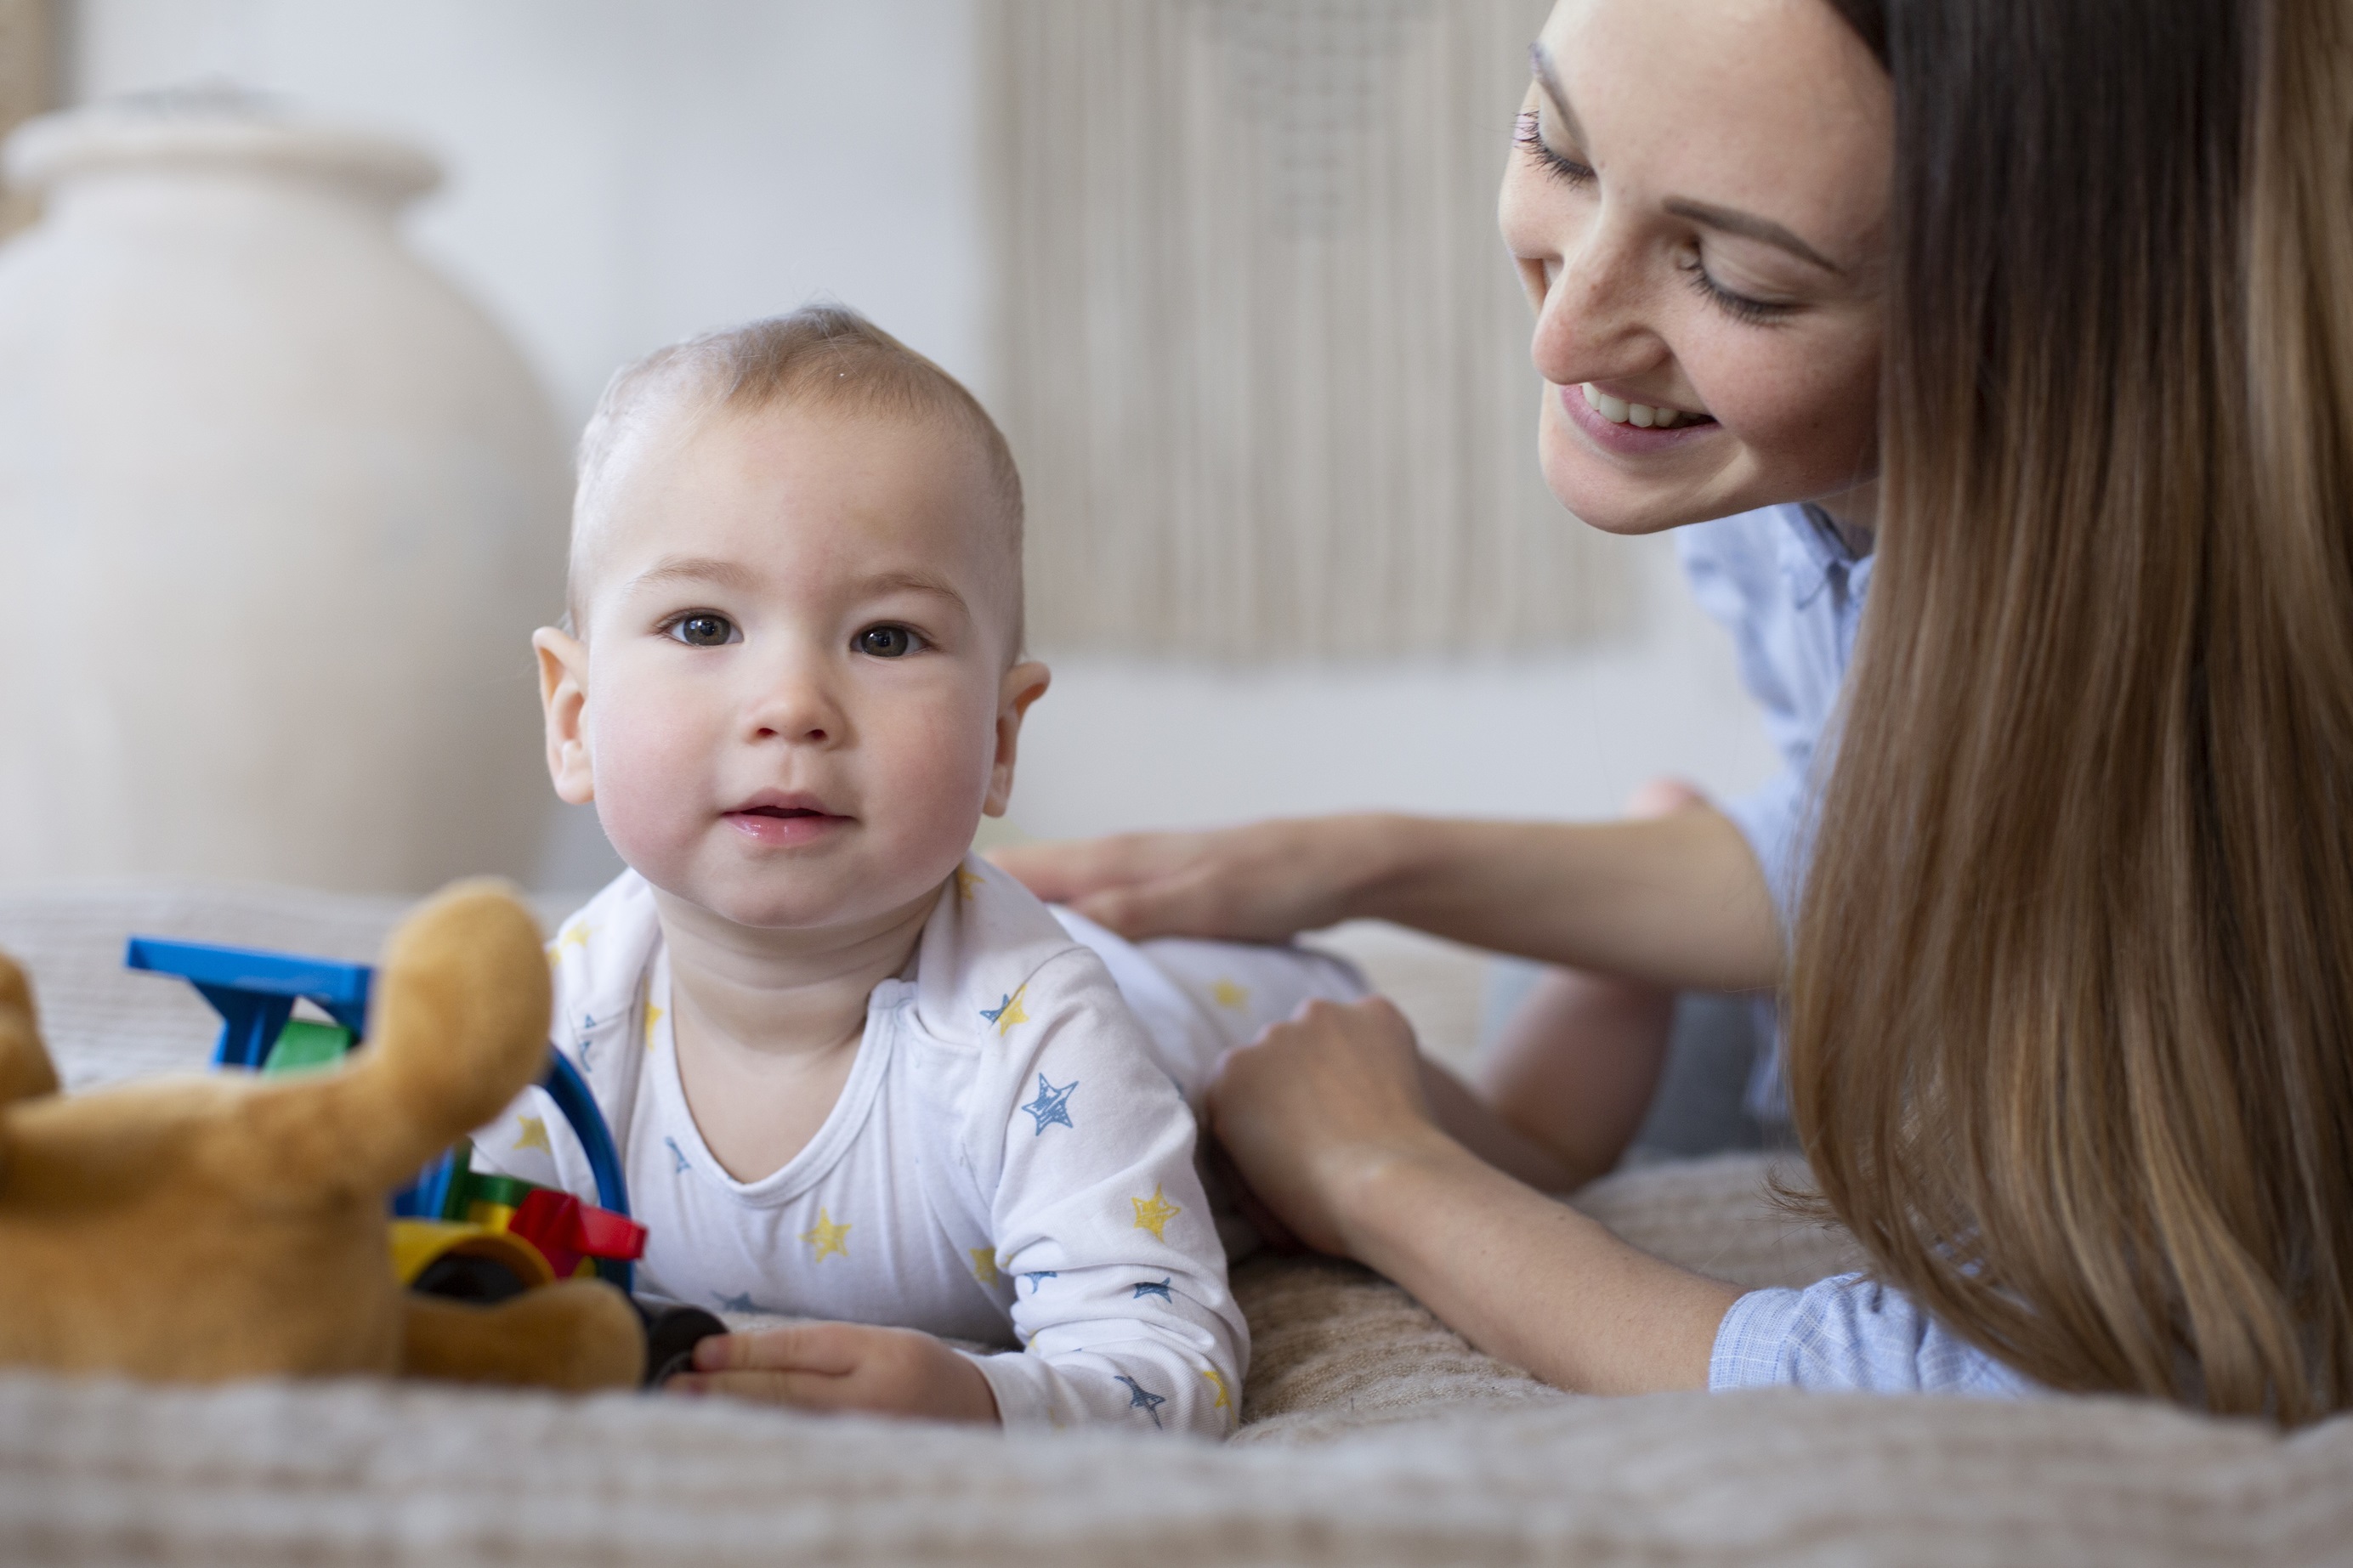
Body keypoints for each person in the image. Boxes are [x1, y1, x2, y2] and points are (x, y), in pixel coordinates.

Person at [1001, 0, 2353, 1421]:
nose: (1566, 331)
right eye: (1560, 147)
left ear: (2056, 329)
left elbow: (2031, 1377)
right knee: (1576, 1005)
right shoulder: (1811, 477)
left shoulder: (2205, 763)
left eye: (1738, 278)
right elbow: (1875, 846)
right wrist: (1342, 857)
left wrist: (1387, 1177)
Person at [471, 308, 1352, 1431]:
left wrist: (985, 1398)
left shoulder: (1036, 1036)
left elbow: (1168, 1361)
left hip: (1240, 1024)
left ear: (998, 737)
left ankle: (1608, 971)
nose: (790, 704)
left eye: (885, 637)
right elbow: (460, 1250)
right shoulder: (563, 1018)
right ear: (575, 716)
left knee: (1524, 1135)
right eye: (702, 625)